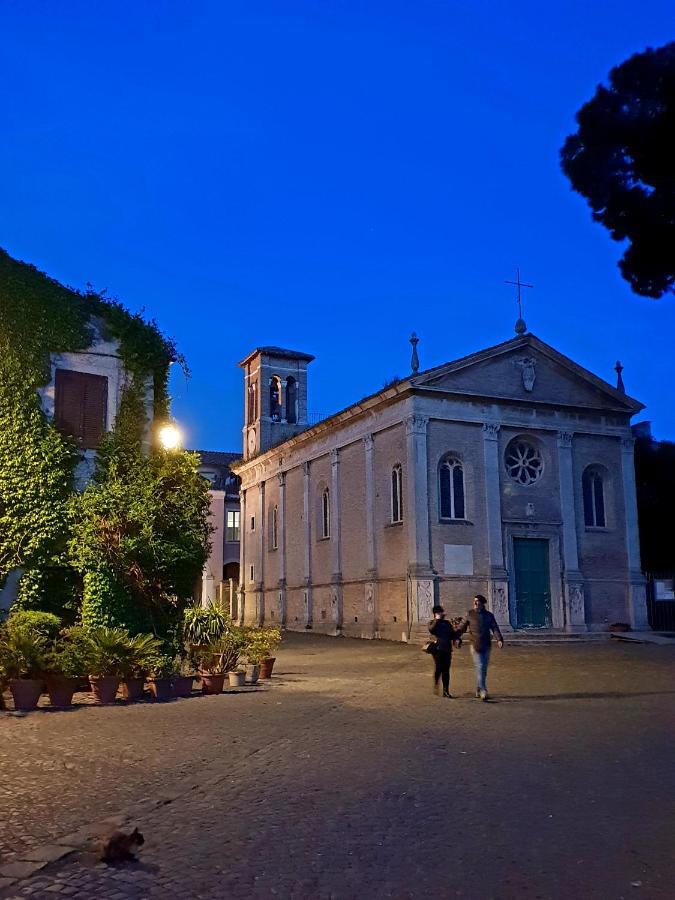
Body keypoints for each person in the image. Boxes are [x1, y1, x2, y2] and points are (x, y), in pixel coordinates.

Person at [458, 595, 504, 701]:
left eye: (477, 602)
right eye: (474, 601)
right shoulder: (469, 614)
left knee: (483, 669)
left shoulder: (489, 615)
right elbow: (462, 627)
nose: (475, 603)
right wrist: (456, 637)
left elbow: (494, 628)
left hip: (486, 645)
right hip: (475, 645)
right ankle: (483, 690)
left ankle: (479, 688)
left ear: (482, 604)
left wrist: (499, 639)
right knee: (480, 666)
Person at [428, 605, 460, 698]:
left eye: (441, 612)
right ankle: (436, 683)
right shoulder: (432, 623)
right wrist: (437, 620)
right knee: (439, 668)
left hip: (447, 649)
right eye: (439, 612)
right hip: (437, 650)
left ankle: (446, 691)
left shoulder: (447, 623)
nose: (441, 614)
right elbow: (431, 630)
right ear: (435, 614)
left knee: (446, 670)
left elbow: (452, 634)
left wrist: (457, 639)